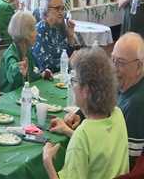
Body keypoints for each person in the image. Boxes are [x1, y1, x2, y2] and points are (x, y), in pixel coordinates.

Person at [43, 47, 129, 179]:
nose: (72, 85)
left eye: (75, 80)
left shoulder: (82, 135)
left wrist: (47, 161)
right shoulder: (118, 114)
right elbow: (99, 147)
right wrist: (68, 131)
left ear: (86, 91)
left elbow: (85, 141)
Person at [63, 32, 144, 168]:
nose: (113, 68)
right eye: (112, 59)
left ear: (139, 67)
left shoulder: (136, 104)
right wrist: (79, 115)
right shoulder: (124, 84)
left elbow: (125, 160)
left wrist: (70, 133)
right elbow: (102, 105)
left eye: (121, 63)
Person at [0, 11, 45, 92]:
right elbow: (11, 75)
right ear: (25, 33)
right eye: (34, 29)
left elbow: (32, 73)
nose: (37, 33)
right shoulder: (11, 54)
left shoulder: (28, 52)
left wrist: (42, 75)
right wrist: (18, 70)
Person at [32, 0, 77, 73]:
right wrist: (69, 62)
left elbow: (67, 54)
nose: (61, 12)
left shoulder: (59, 27)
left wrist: (70, 37)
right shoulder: (39, 31)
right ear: (47, 10)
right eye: (57, 8)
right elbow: (45, 66)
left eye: (63, 8)